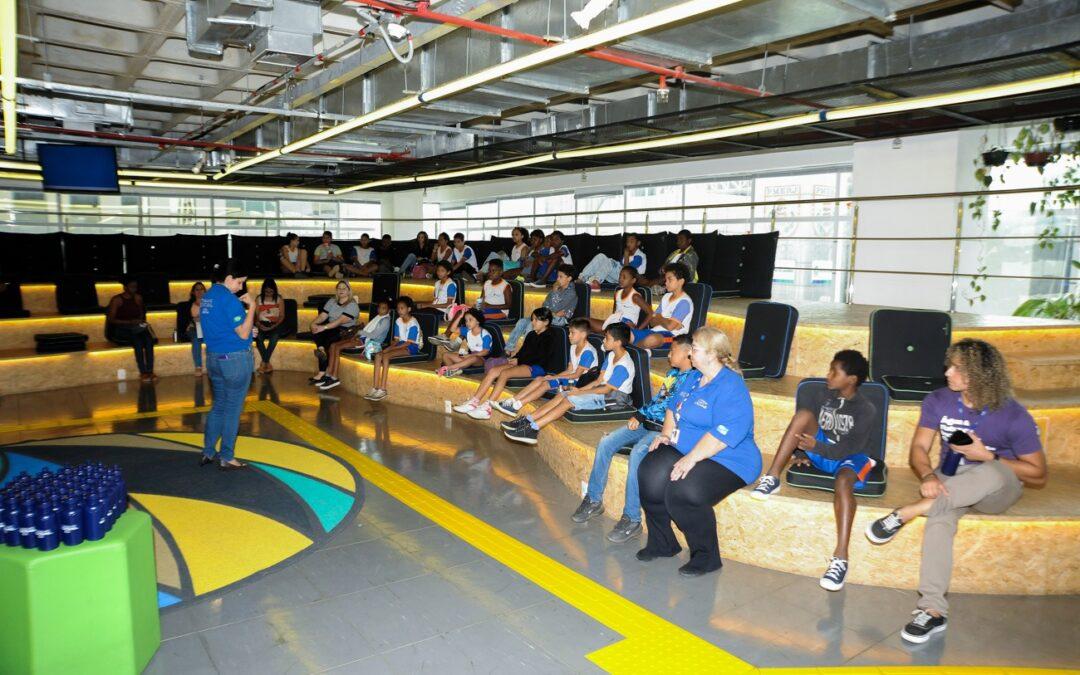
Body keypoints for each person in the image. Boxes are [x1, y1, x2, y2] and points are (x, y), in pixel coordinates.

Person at [864, 338, 1046, 644]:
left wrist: (987, 455)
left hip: (997, 485)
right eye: (949, 365)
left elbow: (1039, 474)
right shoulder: (938, 400)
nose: (947, 372)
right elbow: (919, 447)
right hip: (950, 480)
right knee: (940, 518)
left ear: (980, 374)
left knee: (989, 471)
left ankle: (908, 511)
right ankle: (933, 610)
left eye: (957, 368)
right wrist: (927, 475)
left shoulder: (1013, 414)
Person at [637, 326, 760, 577]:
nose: (689, 353)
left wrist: (691, 459)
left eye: (694, 348)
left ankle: (706, 557)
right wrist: (665, 436)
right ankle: (663, 543)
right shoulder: (692, 377)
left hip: (729, 458)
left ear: (712, 354)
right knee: (650, 472)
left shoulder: (731, 385)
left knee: (684, 491)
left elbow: (723, 433)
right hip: (686, 448)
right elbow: (673, 407)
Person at [751, 350, 876, 591]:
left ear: (851, 379)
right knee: (803, 415)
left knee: (843, 482)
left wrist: (815, 447)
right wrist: (802, 453)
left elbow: (850, 448)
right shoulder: (823, 395)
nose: (828, 375)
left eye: (834, 372)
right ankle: (772, 477)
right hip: (823, 451)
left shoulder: (865, 409)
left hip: (851, 458)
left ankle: (840, 558)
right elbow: (809, 429)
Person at [572, 334, 697, 543]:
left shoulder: (694, 379)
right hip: (647, 422)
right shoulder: (673, 373)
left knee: (638, 453)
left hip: (663, 430)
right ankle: (593, 499)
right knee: (606, 442)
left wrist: (640, 415)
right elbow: (657, 400)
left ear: (687, 353)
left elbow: (669, 407)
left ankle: (632, 518)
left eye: (672, 351)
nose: (668, 355)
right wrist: (640, 414)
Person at [504, 322, 635, 445]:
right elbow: (598, 381)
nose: (603, 340)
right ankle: (528, 420)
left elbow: (607, 390)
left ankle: (533, 429)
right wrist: (578, 390)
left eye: (607, 338)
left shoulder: (623, 364)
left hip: (616, 398)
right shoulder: (611, 355)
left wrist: (580, 392)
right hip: (603, 390)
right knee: (562, 395)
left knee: (569, 400)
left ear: (618, 342)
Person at [453, 307, 560, 420]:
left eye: (536, 320)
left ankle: (487, 408)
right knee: (493, 371)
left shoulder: (550, 337)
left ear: (546, 322)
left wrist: (519, 361)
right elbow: (523, 352)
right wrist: (515, 358)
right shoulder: (531, 334)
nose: (533, 322)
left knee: (505, 373)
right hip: (523, 363)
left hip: (537, 367)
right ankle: (473, 402)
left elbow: (541, 357)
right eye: (532, 319)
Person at [199, 260, 256, 471]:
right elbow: (242, 333)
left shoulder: (207, 297)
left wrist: (249, 330)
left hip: (214, 358)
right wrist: (252, 307)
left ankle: (208, 451)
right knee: (232, 409)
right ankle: (227, 456)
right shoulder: (229, 299)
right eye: (240, 282)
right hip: (235, 360)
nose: (241, 287)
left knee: (219, 406)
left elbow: (225, 327)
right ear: (229, 278)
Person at [494, 317, 598, 417]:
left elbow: (576, 375)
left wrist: (554, 377)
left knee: (545, 384)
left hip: (579, 383)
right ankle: (512, 401)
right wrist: (554, 377)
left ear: (583, 334)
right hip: (571, 379)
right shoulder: (573, 346)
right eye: (569, 332)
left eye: (572, 333)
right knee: (540, 379)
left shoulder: (588, 352)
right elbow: (569, 370)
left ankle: (516, 406)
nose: (569, 335)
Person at [318, 299, 393, 390]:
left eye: (383, 308)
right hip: (362, 338)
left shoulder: (385, 320)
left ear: (389, 310)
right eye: (379, 307)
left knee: (337, 347)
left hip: (368, 342)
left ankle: (334, 377)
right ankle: (328, 374)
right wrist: (358, 334)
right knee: (333, 345)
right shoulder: (378, 317)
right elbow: (366, 331)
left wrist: (359, 332)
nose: (380, 310)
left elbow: (374, 335)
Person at [504, 264, 577, 352]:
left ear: (569, 278)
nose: (557, 279)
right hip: (548, 315)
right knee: (522, 321)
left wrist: (554, 292)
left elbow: (556, 307)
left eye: (561, 277)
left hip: (560, 319)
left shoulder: (571, 293)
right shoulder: (558, 288)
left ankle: (527, 351)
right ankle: (508, 349)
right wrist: (552, 311)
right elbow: (545, 303)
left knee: (531, 325)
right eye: (557, 276)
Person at [366, 296, 424, 401]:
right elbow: (396, 340)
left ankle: (383, 389)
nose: (399, 311)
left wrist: (389, 350)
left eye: (402, 308)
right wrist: (388, 348)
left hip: (411, 347)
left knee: (386, 356)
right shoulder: (398, 321)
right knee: (379, 355)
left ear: (409, 309)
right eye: (398, 308)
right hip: (401, 344)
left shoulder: (413, 323)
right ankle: (375, 387)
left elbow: (408, 343)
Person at [309, 280, 360, 386]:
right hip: (331, 327)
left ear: (349, 291)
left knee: (328, 340)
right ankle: (321, 350)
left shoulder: (352, 305)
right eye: (339, 288)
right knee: (316, 331)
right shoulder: (332, 301)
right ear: (336, 290)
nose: (341, 290)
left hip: (344, 330)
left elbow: (340, 321)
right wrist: (313, 324)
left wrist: (323, 327)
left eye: (344, 288)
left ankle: (323, 372)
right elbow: (323, 316)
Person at [106, 276, 156, 382]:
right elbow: (111, 319)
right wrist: (129, 322)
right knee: (138, 342)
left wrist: (140, 321)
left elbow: (142, 313)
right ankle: (143, 372)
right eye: (132, 287)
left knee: (149, 341)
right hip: (122, 328)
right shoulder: (117, 300)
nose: (134, 289)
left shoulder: (138, 298)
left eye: (135, 287)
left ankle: (150, 371)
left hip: (136, 327)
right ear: (125, 288)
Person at [443, 259, 511, 336]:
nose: (490, 273)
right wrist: (477, 306)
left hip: (500, 313)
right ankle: (446, 335)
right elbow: (481, 299)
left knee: (474, 317)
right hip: (486, 309)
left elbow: (508, 305)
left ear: (501, 272)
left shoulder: (505, 286)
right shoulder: (487, 283)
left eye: (493, 271)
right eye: (489, 271)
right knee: (462, 312)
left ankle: (459, 340)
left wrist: (489, 306)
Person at [633, 263, 693, 351]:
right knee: (627, 333)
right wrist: (664, 320)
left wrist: (659, 317)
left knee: (652, 339)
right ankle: (639, 347)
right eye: (665, 279)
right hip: (654, 331)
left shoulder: (684, 302)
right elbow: (652, 322)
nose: (666, 282)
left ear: (681, 282)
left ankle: (634, 349)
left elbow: (670, 327)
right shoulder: (666, 297)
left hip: (673, 337)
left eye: (669, 279)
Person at [587, 265, 651, 334]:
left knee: (607, 331)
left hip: (626, 326)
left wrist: (638, 330)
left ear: (633, 280)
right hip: (615, 323)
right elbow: (614, 312)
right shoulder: (617, 293)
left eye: (624, 277)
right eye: (620, 276)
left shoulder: (635, 296)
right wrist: (609, 321)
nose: (621, 279)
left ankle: (609, 333)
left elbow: (651, 313)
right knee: (583, 321)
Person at [436, 309, 493, 377]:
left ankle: (448, 368)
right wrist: (459, 317)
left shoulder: (485, 335)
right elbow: (452, 329)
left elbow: (485, 352)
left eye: (470, 320)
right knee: (446, 355)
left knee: (473, 358)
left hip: (482, 359)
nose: (467, 323)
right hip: (469, 357)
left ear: (478, 321)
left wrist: (469, 356)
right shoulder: (467, 331)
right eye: (466, 320)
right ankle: (452, 372)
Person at [580, 233, 647, 290]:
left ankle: (596, 282)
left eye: (631, 242)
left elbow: (627, 271)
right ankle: (582, 278)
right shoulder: (629, 253)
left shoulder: (640, 256)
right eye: (627, 241)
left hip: (628, 278)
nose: (628, 244)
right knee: (601, 256)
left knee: (610, 262)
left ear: (638, 243)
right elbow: (620, 265)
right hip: (618, 275)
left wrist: (626, 255)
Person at [254, 278, 285, 374]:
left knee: (274, 338)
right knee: (258, 338)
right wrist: (259, 324)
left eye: (271, 291)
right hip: (262, 323)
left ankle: (264, 363)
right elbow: (255, 315)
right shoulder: (259, 298)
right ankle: (267, 364)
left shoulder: (279, 299)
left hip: (275, 324)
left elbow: (282, 316)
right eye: (266, 291)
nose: (268, 293)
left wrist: (273, 326)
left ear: (274, 290)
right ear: (263, 290)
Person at [187, 282, 206, 376]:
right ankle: (198, 367)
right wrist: (193, 320)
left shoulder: (209, 304)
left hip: (206, 328)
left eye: (201, 289)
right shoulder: (188, 305)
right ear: (193, 292)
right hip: (193, 328)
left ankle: (214, 365)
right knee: (196, 339)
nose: (199, 291)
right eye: (197, 289)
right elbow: (185, 320)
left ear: (205, 291)